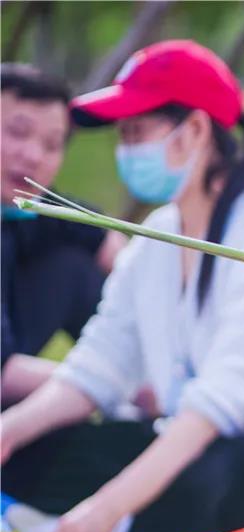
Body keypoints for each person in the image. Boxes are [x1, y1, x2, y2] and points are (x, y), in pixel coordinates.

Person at [0, 40, 244, 532]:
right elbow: (97, 365)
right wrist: (8, 433)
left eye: (137, 133)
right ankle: (131, 518)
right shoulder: (158, 236)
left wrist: (105, 508)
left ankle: (124, 524)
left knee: (211, 473)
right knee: (36, 453)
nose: (126, 149)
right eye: (123, 136)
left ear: (195, 131)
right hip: (195, 437)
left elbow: (220, 407)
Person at [0, 64, 126, 405]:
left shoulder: (22, 206)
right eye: (17, 132)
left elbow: (110, 243)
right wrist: (118, 383)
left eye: (52, 144)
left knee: (72, 267)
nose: (33, 156)